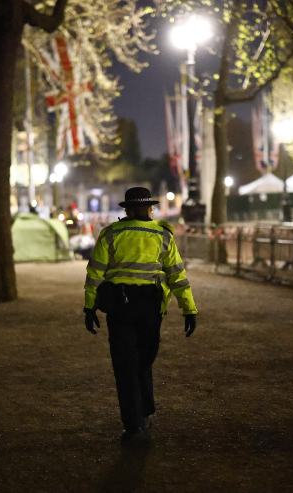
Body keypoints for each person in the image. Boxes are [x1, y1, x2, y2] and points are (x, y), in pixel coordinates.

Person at [83, 187, 198, 442]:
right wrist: (189, 309)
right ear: (148, 209)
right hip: (150, 307)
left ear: (127, 209)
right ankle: (143, 413)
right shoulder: (163, 235)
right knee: (144, 362)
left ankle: (133, 423)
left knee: (125, 366)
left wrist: (89, 307)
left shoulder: (110, 234)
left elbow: (94, 274)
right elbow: (177, 275)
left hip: (119, 307)